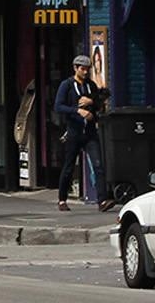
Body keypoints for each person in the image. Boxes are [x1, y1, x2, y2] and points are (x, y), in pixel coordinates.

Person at [54, 54, 111, 212]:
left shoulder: (90, 86)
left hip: (90, 132)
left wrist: (92, 102)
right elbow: (58, 106)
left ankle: (102, 200)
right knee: (69, 166)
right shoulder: (67, 85)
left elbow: (101, 100)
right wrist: (78, 110)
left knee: (98, 165)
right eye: (82, 69)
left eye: (87, 69)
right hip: (74, 131)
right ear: (75, 68)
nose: (85, 72)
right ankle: (62, 199)